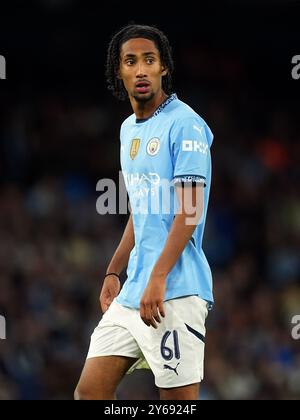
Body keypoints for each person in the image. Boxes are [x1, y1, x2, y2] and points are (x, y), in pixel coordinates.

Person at [75, 24, 214, 401]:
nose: (140, 70)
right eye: (130, 61)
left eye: (148, 60)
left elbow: (189, 211)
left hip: (176, 289)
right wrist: (113, 268)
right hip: (134, 290)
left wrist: (159, 277)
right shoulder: (127, 130)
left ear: (163, 68)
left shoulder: (186, 124)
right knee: (89, 392)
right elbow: (141, 207)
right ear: (118, 71)